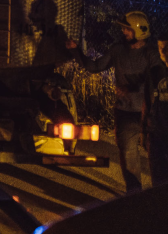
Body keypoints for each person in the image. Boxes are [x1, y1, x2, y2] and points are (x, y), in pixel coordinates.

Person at [67, 11, 162, 193]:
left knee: (156, 157)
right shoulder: (118, 50)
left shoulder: (151, 53)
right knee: (128, 157)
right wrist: (75, 50)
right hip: (125, 113)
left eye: (127, 29)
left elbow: (156, 77)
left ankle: (158, 197)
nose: (124, 32)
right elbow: (95, 67)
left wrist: (134, 87)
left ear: (138, 30)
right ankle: (134, 196)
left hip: (149, 114)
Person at [146, 31, 168, 187]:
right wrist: (144, 126)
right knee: (157, 173)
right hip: (157, 129)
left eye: (166, 47)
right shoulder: (155, 71)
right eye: (160, 47)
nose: (163, 51)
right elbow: (147, 99)